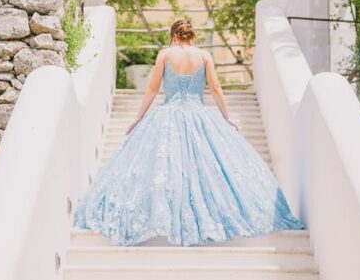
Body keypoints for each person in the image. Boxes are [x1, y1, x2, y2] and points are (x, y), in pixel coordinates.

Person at [73, 18, 304, 246]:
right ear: (192, 36)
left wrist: (138, 118)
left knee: (163, 167)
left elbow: (153, 88)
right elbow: (215, 88)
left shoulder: (165, 54)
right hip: (199, 113)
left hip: (168, 113)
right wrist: (227, 117)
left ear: (174, 36)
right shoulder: (204, 56)